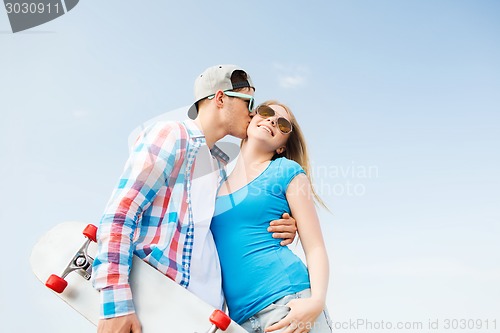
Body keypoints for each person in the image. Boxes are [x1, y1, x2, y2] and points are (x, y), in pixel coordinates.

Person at [92, 65, 297, 333]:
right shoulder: (172, 135)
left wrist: (282, 225)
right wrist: (115, 304)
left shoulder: (218, 167)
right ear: (221, 98)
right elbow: (122, 213)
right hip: (162, 304)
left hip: (202, 317)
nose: (252, 113)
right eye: (249, 103)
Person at [211, 101, 332, 333]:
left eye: (283, 124)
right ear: (251, 119)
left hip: (288, 303)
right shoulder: (215, 184)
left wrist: (316, 301)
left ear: (282, 147)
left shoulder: (287, 171)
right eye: (266, 113)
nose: (272, 121)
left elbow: (315, 247)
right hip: (240, 320)